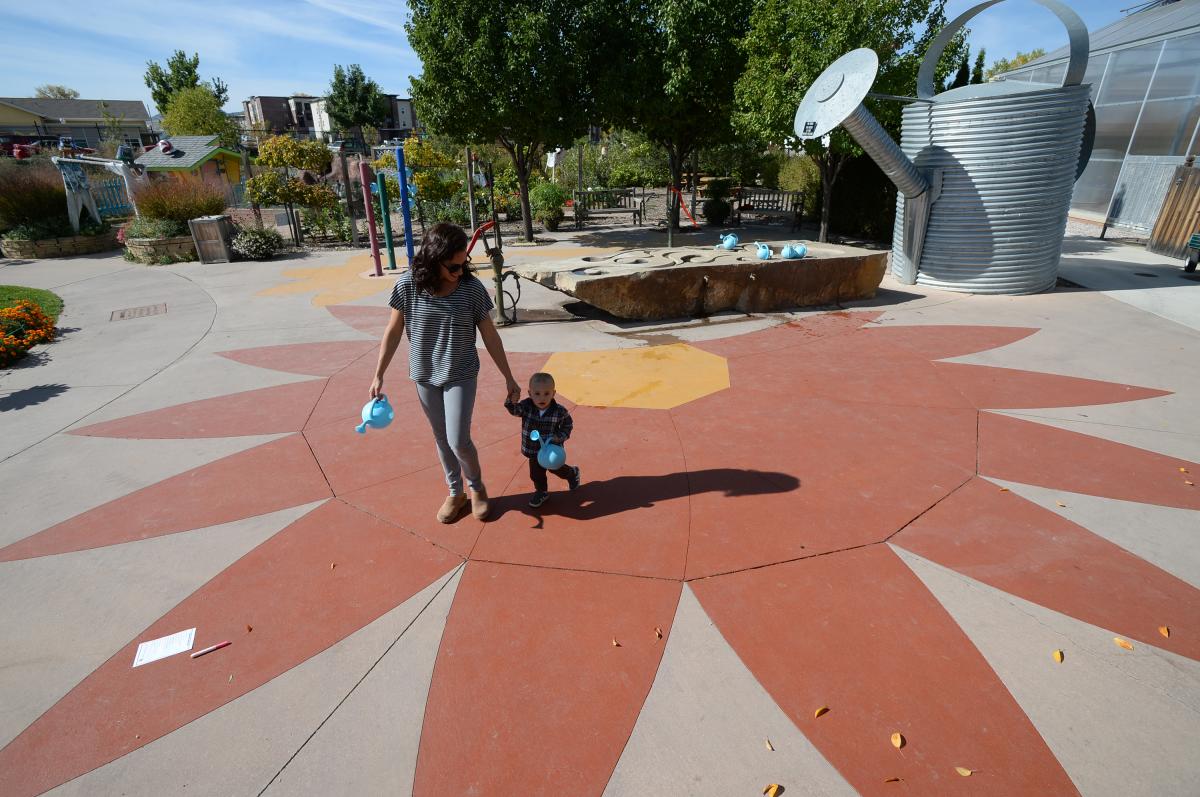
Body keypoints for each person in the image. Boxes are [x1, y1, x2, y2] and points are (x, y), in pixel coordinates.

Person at [370, 222, 521, 524]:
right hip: (425, 374)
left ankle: (476, 488)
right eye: (453, 266)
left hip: (461, 373)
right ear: (433, 258)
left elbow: (491, 335)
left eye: (463, 264)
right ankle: (456, 492)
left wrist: (509, 376)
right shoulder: (408, 285)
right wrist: (379, 374)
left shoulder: (471, 289)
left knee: (458, 440)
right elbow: (393, 330)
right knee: (441, 438)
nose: (460, 271)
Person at [505, 371, 581, 508]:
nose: (542, 398)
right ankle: (541, 492)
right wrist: (511, 400)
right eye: (537, 393)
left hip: (551, 450)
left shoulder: (559, 411)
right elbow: (515, 410)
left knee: (555, 469)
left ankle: (571, 473)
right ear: (530, 393)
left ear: (553, 393)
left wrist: (559, 437)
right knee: (536, 474)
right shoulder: (526, 406)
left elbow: (567, 425)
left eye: (546, 393)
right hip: (533, 450)